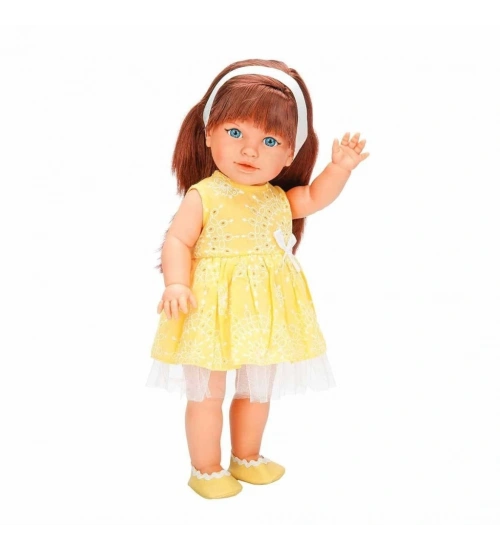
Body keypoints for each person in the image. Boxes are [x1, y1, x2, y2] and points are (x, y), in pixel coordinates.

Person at [146, 59, 369, 499]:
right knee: (208, 393)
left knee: (256, 390)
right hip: (210, 310)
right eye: (235, 133)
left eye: (269, 141)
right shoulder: (204, 195)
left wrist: (340, 168)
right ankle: (206, 467)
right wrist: (176, 283)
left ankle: (246, 455)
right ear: (208, 133)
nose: (250, 151)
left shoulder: (277, 199)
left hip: (261, 314)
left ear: (289, 154)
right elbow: (178, 241)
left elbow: (314, 196)